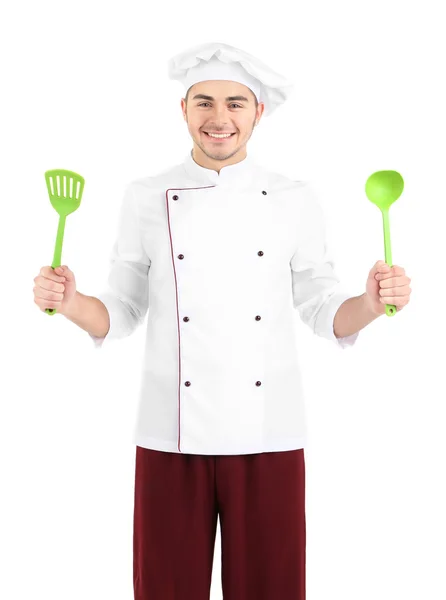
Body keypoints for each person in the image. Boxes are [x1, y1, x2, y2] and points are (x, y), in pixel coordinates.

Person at [33, 41, 412, 600]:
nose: (219, 118)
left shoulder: (293, 197)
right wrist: (69, 303)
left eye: (236, 103)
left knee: (272, 589)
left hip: (269, 432)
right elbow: (121, 308)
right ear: (182, 110)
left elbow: (324, 307)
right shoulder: (146, 195)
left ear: (258, 112)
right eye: (204, 101)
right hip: (169, 431)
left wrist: (374, 299)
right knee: (164, 589)